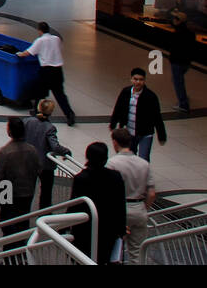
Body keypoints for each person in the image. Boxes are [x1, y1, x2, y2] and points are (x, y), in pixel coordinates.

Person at [70, 141, 127, 264]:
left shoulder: (81, 179)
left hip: (85, 230)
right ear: (105, 158)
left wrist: (64, 227)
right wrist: (121, 229)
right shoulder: (115, 177)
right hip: (109, 230)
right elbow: (120, 205)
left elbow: (74, 206)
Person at [107, 127, 155, 265]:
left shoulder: (112, 163)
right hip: (139, 209)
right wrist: (143, 208)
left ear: (115, 142)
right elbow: (151, 193)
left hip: (119, 210)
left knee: (114, 252)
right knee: (137, 253)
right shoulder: (144, 164)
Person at [17, 22, 76, 126]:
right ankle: (69, 114)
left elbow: (28, 52)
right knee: (60, 94)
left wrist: (19, 54)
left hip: (46, 71)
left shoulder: (40, 41)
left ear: (40, 31)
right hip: (58, 70)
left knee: (39, 92)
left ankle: (36, 112)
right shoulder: (56, 39)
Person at [0, 116, 41, 227]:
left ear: (10, 131)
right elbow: (38, 169)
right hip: (27, 191)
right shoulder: (32, 150)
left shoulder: (5, 152)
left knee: (8, 223)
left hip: (8, 192)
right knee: (23, 220)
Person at [109, 67, 167, 162]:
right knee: (129, 158)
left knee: (144, 159)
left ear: (144, 81)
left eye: (141, 80)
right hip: (129, 132)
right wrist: (113, 124)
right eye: (135, 79)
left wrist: (162, 135)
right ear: (131, 79)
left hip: (145, 133)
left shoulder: (150, 96)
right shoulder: (126, 92)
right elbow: (118, 108)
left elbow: (157, 117)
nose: (138, 82)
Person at [24, 100, 71, 208]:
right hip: (45, 165)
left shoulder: (27, 121)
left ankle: (24, 214)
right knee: (46, 191)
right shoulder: (50, 127)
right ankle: (44, 213)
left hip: (29, 162)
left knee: (28, 190)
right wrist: (66, 151)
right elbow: (55, 146)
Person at [169, 10, 194, 112]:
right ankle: (183, 97)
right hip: (186, 62)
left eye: (175, 18)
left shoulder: (178, 33)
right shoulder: (190, 33)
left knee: (178, 82)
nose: (173, 20)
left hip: (177, 61)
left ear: (178, 21)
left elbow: (174, 47)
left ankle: (183, 103)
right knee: (178, 80)